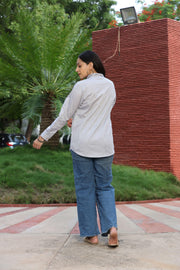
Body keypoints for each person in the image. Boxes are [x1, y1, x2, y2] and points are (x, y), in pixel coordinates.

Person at [33, 50, 118, 247]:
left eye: (80, 65)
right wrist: (78, 119)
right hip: (105, 146)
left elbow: (63, 116)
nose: (77, 69)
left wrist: (42, 136)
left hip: (82, 147)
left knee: (85, 189)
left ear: (91, 65)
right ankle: (111, 228)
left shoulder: (81, 87)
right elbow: (99, 113)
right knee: (105, 187)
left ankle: (92, 234)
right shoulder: (110, 86)